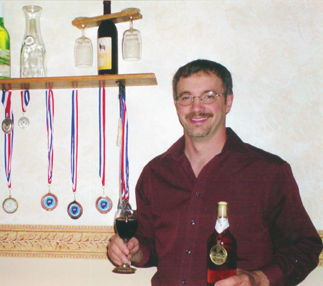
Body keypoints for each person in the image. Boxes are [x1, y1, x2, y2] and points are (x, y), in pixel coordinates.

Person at [107, 59, 322, 286]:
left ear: (228, 101)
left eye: (208, 96)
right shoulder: (155, 174)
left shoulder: (269, 172)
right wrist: (133, 250)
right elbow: (150, 246)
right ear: (176, 104)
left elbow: (305, 247)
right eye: (186, 97)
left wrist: (257, 278)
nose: (196, 107)